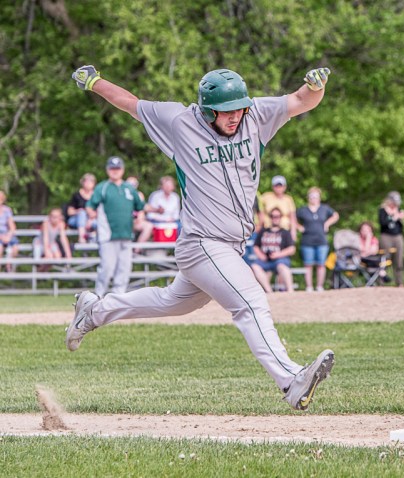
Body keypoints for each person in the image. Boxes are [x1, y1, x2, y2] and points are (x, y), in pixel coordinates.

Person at [67, 64, 335, 410]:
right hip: (202, 243)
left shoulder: (255, 116)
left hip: (230, 246)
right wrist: (94, 81)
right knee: (250, 301)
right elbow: (130, 103)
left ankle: (94, 311)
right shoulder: (180, 122)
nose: (235, 115)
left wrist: (317, 86)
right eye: (225, 111)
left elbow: (302, 100)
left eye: (239, 107)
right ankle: (290, 379)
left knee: (171, 302)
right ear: (208, 110)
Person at [87, 156, 145, 296]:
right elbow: (90, 206)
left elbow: (140, 206)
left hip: (126, 234)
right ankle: (99, 295)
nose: (115, 171)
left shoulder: (129, 188)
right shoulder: (103, 187)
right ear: (107, 170)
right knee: (107, 267)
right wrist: (92, 216)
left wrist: (139, 218)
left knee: (124, 268)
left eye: (117, 168)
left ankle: (118, 296)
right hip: (108, 235)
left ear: (122, 170)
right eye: (112, 168)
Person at [297, 187, 339, 291]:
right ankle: (309, 287)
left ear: (319, 198)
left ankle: (320, 286)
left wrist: (327, 223)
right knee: (308, 264)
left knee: (321, 264)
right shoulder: (303, 210)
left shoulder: (325, 209)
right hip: (307, 240)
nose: (314, 199)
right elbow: (291, 217)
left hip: (321, 240)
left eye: (316, 196)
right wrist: (299, 227)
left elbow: (336, 215)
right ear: (308, 198)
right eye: (311, 196)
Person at [251, 208, 296, 293]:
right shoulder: (263, 231)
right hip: (265, 260)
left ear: (281, 217)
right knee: (254, 266)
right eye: (273, 216)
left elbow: (292, 249)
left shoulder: (285, 232)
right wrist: (261, 256)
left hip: (280, 259)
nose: (275, 218)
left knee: (282, 267)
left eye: (277, 216)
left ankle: (290, 291)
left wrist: (278, 254)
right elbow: (256, 246)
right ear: (270, 218)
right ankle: (269, 291)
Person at [378, 191, 404, 287]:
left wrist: (401, 218)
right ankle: (381, 281)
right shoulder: (382, 210)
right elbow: (383, 223)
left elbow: (401, 226)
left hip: (397, 235)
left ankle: (399, 282)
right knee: (385, 258)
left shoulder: (398, 209)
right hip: (386, 236)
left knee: (399, 259)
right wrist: (394, 217)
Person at [260, 175, 298, 241]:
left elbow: (292, 217)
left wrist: (293, 232)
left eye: (280, 186)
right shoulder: (266, 197)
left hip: (284, 230)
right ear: (273, 187)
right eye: (276, 186)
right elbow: (259, 210)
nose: (278, 188)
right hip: (268, 231)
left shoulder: (288, 199)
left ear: (284, 187)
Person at [147, 176, 182, 242]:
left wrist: (171, 219)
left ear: (173, 187)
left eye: (169, 185)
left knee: (182, 227)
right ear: (162, 186)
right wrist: (164, 219)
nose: (168, 187)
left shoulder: (175, 197)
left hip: (172, 221)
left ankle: (179, 246)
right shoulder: (155, 196)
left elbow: (176, 214)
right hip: (157, 220)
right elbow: (150, 215)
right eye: (166, 185)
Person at [65, 173, 97, 243]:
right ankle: (82, 237)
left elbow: (98, 212)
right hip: (76, 220)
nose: (88, 184)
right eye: (87, 181)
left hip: (92, 220)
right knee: (82, 213)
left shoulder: (96, 196)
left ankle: (92, 237)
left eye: (91, 182)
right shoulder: (76, 195)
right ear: (83, 183)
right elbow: (69, 212)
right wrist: (78, 211)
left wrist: (90, 220)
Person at [126, 175, 154, 248]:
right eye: (130, 184)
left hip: (135, 222)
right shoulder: (121, 195)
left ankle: (137, 249)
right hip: (124, 222)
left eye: (134, 184)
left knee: (148, 226)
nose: (132, 186)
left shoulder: (139, 195)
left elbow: (141, 210)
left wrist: (139, 219)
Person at [0, 190, 19, 272]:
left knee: (15, 248)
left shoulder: (7, 210)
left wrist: (9, 235)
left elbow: (12, 226)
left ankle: (9, 267)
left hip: (6, 233)